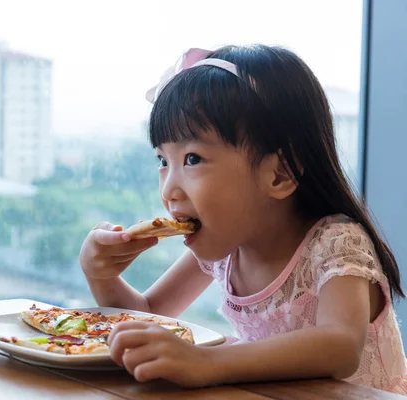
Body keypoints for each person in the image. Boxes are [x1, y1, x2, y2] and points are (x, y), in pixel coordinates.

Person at [78, 45, 407, 394]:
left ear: (278, 174)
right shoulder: (225, 248)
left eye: (192, 158)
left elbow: (340, 347)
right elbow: (148, 313)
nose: (169, 190)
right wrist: (101, 275)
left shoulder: (336, 241)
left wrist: (205, 362)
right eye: (162, 160)